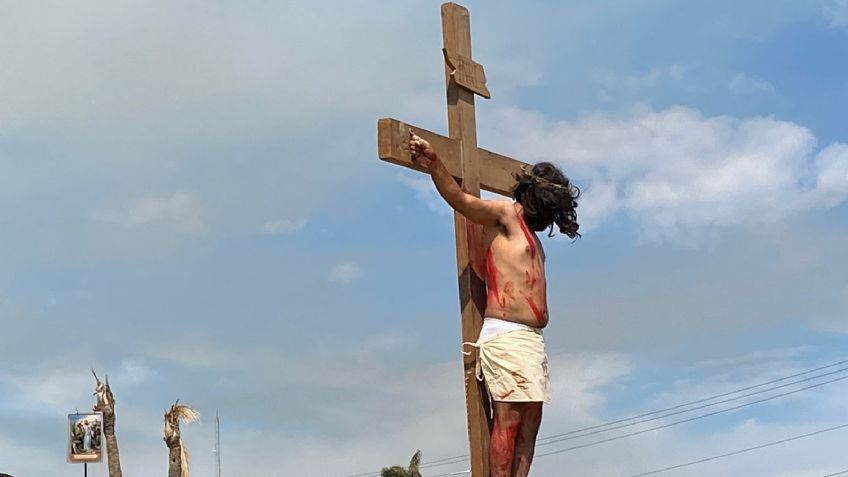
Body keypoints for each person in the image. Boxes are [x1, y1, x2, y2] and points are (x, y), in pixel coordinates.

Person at [408, 131, 580, 477]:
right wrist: (434, 163)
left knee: (531, 422)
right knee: (510, 417)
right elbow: (460, 199)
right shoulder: (504, 215)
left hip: (531, 340)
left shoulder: (528, 232)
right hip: (507, 333)